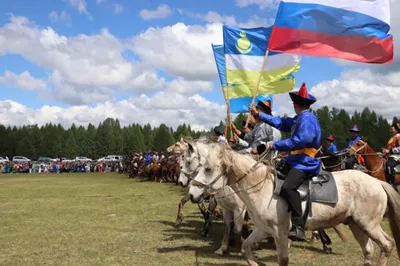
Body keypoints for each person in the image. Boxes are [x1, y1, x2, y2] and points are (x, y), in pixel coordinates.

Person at [249, 82, 321, 241]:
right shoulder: (299, 118)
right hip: (295, 159)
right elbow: (280, 123)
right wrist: (259, 115)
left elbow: (300, 141)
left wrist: (273, 144)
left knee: (288, 187)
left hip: (305, 161)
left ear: (296, 104)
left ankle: (298, 226)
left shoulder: (307, 118)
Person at [382, 123, 400, 191]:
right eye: (390, 129)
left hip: (397, 156)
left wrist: (390, 151)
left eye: (392, 129)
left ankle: (393, 184)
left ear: (396, 130)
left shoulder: (398, 137)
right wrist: (384, 150)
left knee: (389, 165)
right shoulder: (391, 138)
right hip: (390, 156)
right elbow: (388, 149)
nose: (390, 130)